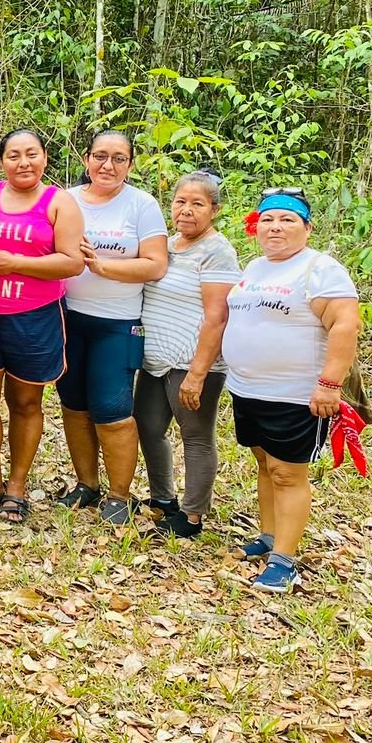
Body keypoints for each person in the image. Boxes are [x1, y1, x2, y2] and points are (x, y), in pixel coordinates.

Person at [222, 189, 361, 594]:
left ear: (306, 227)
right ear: (256, 226)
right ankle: (268, 536)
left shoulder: (320, 269)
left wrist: (329, 384)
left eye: (287, 219)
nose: (275, 227)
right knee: (265, 464)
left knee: (287, 472)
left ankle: (284, 561)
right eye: (268, 219)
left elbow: (345, 326)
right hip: (248, 389)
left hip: (296, 394)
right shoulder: (256, 267)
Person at [0, 129, 85, 526]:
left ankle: (17, 484)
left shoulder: (58, 202)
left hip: (34, 317)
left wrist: (17, 264)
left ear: (45, 158)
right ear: (2, 161)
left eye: (31, 154)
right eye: (13, 155)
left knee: (25, 402)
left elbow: (71, 261)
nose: (23, 162)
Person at [53, 131, 169, 524]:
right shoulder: (65, 200)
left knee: (113, 410)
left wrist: (102, 267)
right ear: (86, 159)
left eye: (119, 158)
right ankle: (86, 484)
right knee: (73, 405)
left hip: (117, 322)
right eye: (100, 156)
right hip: (66, 316)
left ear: (131, 165)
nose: (108, 165)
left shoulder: (141, 205)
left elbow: (155, 264)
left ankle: (120, 495)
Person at [134, 171, 240, 539]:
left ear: (215, 209)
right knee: (147, 426)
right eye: (181, 201)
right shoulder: (167, 245)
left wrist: (198, 373)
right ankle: (163, 499)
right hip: (156, 360)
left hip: (193, 362)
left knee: (195, 436)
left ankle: (192, 516)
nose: (187, 210)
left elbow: (217, 316)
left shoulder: (217, 250)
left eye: (198, 204)